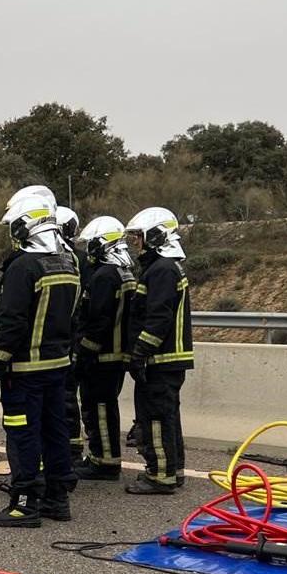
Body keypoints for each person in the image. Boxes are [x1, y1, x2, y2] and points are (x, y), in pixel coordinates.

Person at [0, 189, 80, 527]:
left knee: (23, 435)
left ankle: (24, 504)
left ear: (28, 225)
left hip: (23, 372)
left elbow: (12, 321)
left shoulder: (24, 266)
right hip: (57, 368)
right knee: (55, 432)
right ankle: (58, 498)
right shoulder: (69, 262)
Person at [123, 206, 194, 494]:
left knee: (155, 418)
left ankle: (160, 475)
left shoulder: (162, 270)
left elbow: (158, 318)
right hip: (169, 361)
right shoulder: (165, 267)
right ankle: (173, 470)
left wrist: (140, 352)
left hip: (160, 360)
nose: (136, 243)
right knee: (168, 417)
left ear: (155, 236)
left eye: (139, 237)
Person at [72, 216, 138, 480]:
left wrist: (84, 353)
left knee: (98, 407)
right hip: (118, 353)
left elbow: (97, 320)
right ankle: (103, 457)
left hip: (101, 356)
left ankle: (105, 462)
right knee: (107, 406)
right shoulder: (125, 271)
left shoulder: (103, 276)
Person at [55, 205, 87, 466]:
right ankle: (71, 449)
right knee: (67, 398)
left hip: (67, 339)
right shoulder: (79, 258)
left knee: (66, 397)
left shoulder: (69, 260)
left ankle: (71, 451)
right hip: (71, 338)